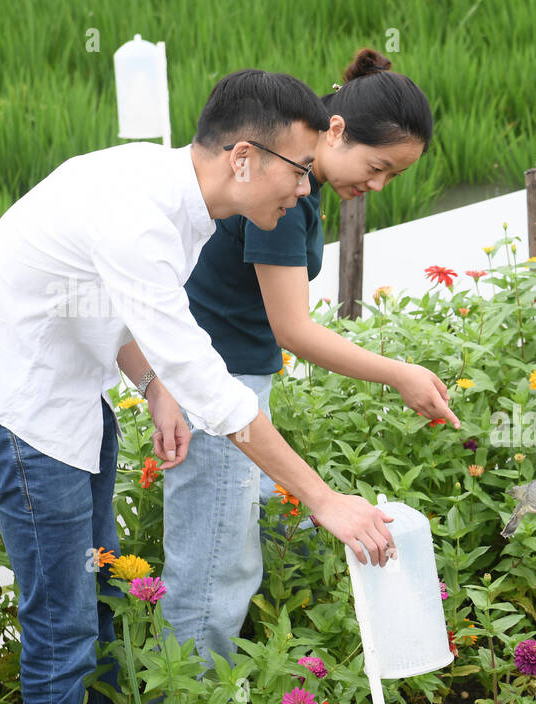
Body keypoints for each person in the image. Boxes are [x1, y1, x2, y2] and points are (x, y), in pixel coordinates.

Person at [0, 69, 399, 704]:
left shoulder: (183, 200)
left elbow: (126, 315)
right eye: (300, 170)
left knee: (104, 597)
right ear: (244, 158)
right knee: (64, 629)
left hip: (71, 399)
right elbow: (216, 393)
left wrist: (150, 386)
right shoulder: (142, 215)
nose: (306, 192)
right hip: (20, 415)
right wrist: (323, 500)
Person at [160, 49, 454, 665]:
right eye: (377, 167)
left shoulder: (296, 183)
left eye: (392, 178)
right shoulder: (280, 194)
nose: (375, 186)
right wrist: (400, 373)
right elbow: (292, 328)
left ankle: (251, 679)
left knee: (255, 536)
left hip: (233, 379)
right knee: (216, 565)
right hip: (217, 386)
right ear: (337, 130)